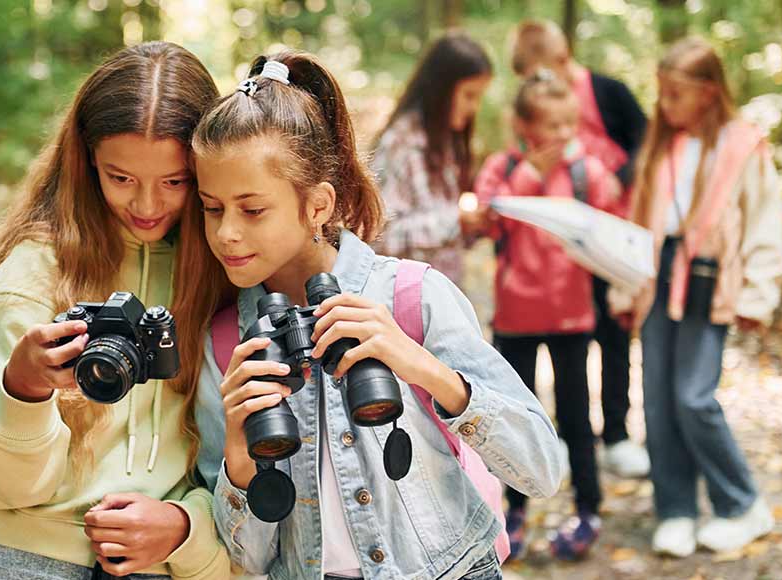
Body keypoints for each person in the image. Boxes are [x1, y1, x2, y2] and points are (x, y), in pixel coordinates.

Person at [188, 51, 564, 579]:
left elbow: (541, 469)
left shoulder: (414, 296)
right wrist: (239, 456)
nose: (226, 232)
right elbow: (246, 558)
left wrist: (422, 368)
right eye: (211, 207)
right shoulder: (227, 343)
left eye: (252, 210)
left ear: (317, 205)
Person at [0, 42, 229, 580]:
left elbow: (250, 453)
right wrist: (23, 389)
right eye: (121, 178)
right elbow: (4, 490)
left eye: (175, 182)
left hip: (163, 563)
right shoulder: (32, 276)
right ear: (87, 160)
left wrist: (188, 529)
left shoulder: (227, 270)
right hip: (22, 560)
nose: (146, 205)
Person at [610, 37, 782, 558]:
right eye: (661, 95)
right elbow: (638, 224)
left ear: (709, 93)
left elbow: (764, 223)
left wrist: (759, 295)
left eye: (675, 95)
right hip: (658, 274)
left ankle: (741, 503)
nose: (665, 106)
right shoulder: (661, 147)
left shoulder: (743, 144)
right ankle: (677, 508)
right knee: (659, 399)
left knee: (693, 396)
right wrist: (626, 287)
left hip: (712, 277)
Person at [472, 71, 624, 560]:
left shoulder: (588, 172)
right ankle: (514, 509)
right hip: (515, 316)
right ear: (523, 124)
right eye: (550, 125)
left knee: (577, 416)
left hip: (572, 319)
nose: (562, 136)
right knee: (517, 418)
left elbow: (611, 230)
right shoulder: (503, 168)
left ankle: (588, 508)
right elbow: (487, 219)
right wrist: (527, 179)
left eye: (569, 124)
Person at [509, 19, 651, 479]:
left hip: (613, 233)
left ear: (563, 60)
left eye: (543, 74)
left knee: (613, 335)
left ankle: (616, 433)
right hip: (562, 243)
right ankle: (571, 437)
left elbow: (649, 144)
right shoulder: (538, 115)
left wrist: (619, 182)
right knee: (573, 342)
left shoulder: (609, 93)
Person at [372, 31, 494, 283]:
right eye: (469, 95)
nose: (474, 108)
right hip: (406, 302)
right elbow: (383, 237)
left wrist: (475, 226)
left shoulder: (448, 142)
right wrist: (455, 221)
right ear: (441, 89)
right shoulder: (402, 144)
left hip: (443, 296)